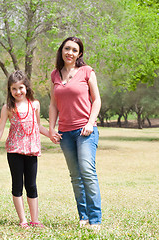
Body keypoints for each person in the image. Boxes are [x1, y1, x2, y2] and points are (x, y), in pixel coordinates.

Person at [0, 70, 57, 229]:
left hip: (31, 150)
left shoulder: (35, 104)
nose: (18, 92)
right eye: (14, 89)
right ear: (10, 91)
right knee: (17, 184)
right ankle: (23, 220)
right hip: (15, 150)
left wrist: (51, 135)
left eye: (20, 88)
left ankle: (35, 220)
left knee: (31, 185)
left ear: (26, 87)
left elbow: (37, 126)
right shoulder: (8, 108)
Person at [48, 36, 102, 230]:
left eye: (74, 50)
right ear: (61, 50)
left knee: (87, 171)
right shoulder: (55, 74)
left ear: (79, 54)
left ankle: (95, 219)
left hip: (86, 131)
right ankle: (83, 216)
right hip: (65, 133)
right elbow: (54, 104)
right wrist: (51, 128)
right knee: (75, 176)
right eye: (66, 48)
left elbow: (96, 100)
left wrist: (90, 123)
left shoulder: (87, 71)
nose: (69, 53)